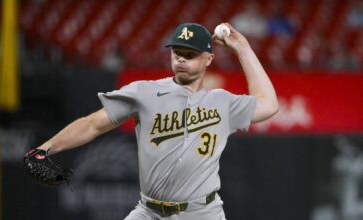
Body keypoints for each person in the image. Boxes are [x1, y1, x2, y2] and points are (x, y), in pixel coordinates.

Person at [25, 22, 279, 219]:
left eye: (189, 54)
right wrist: (45, 148)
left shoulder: (223, 102)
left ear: (208, 59)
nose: (180, 58)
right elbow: (92, 123)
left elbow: (268, 104)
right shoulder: (144, 92)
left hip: (202, 213)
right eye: (177, 52)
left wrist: (243, 49)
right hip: (149, 212)